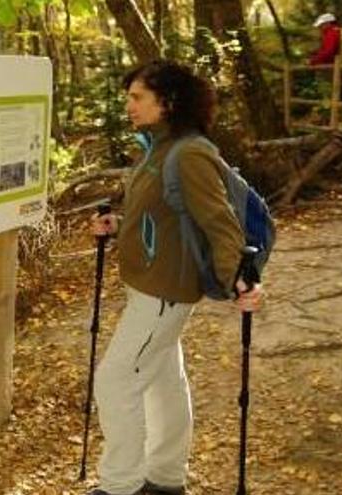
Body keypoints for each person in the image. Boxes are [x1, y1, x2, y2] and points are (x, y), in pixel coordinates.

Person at [87, 60, 263, 495]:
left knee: (115, 381)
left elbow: (221, 224)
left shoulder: (190, 152)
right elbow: (164, 212)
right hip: (148, 288)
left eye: (137, 97)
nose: (128, 104)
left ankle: (119, 486)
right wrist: (120, 223)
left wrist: (241, 279)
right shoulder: (157, 147)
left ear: (167, 102)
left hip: (163, 293)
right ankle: (165, 480)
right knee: (163, 383)